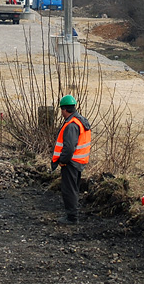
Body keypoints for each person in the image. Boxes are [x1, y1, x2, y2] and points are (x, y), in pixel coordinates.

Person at [51, 94, 91, 224]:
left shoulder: (72, 125)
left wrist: (62, 160)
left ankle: (72, 217)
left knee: (69, 190)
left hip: (71, 163)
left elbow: (69, 148)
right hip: (79, 162)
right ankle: (72, 215)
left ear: (64, 109)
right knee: (73, 189)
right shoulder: (81, 121)